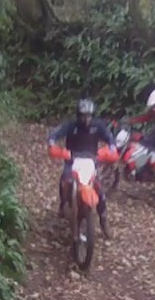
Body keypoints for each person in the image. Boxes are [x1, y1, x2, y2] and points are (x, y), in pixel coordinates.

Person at [47, 98, 118, 237]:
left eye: (89, 115)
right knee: (64, 179)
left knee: (99, 189)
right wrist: (52, 142)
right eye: (83, 116)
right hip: (72, 159)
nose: (86, 119)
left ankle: (103, 220)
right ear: (78, 115)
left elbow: (109, 137)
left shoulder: (98, 126)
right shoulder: (71, 125)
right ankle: (63, 203)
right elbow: (55, 134)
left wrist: (112, 146)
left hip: (91, 160)